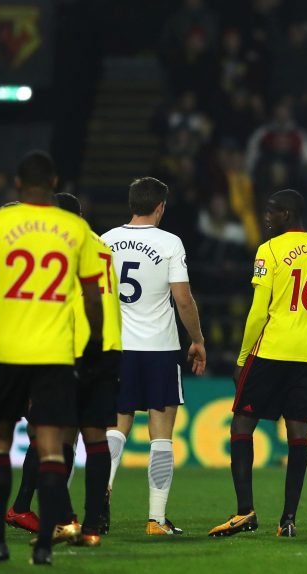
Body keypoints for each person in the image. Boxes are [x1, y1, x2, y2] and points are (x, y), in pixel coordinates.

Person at [0, 151, 104, 564]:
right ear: (54, 181)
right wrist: (94, 345)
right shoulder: (75, 228)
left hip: (6, 350)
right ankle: (43, 546)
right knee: (52, 446)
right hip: (55, 353)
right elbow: (92, 296)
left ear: (18, 185)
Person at [208, 189, 307, 539]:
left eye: (271, 212)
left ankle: (244, 512)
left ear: (287, 214)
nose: (267, 217)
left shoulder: (269, 250)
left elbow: (258, 310)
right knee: (298, 434)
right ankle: (288, 520)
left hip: (270, 352)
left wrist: (241, 357)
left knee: (241, 426)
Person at [101, 177, 207, 536]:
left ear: (132, 202)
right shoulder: (169, 243)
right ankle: (156, 520)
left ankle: (101, 498)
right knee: (160, 436)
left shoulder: (106, 241)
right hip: (159, 349)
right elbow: (183, 299)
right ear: (161, 206)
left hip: (118, 348)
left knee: (116, 429)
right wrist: (198, 340)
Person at [55, 192, 123, 546]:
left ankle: (64, 520)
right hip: (109, 348)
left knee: (57, 436)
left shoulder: (63, 246)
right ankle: (93, 526)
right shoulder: (102, 246)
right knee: (95, 436)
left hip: (74, 347)